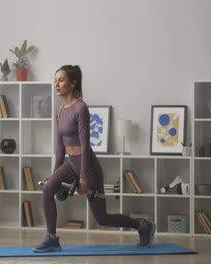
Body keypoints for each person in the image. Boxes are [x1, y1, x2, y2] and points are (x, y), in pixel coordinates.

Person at [33, 65, 156, 253]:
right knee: (48, 188)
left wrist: (83, 178)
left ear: (73, 84)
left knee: (102, 218)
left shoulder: (80, 108)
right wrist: (55, 175)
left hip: (87, 166)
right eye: (55, 79)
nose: (56, 84)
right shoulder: (60, 109)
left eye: (61, 80)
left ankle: (143, 225)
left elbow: (84, 145)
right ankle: (51, 239)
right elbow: (60, 147)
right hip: (70, 163)